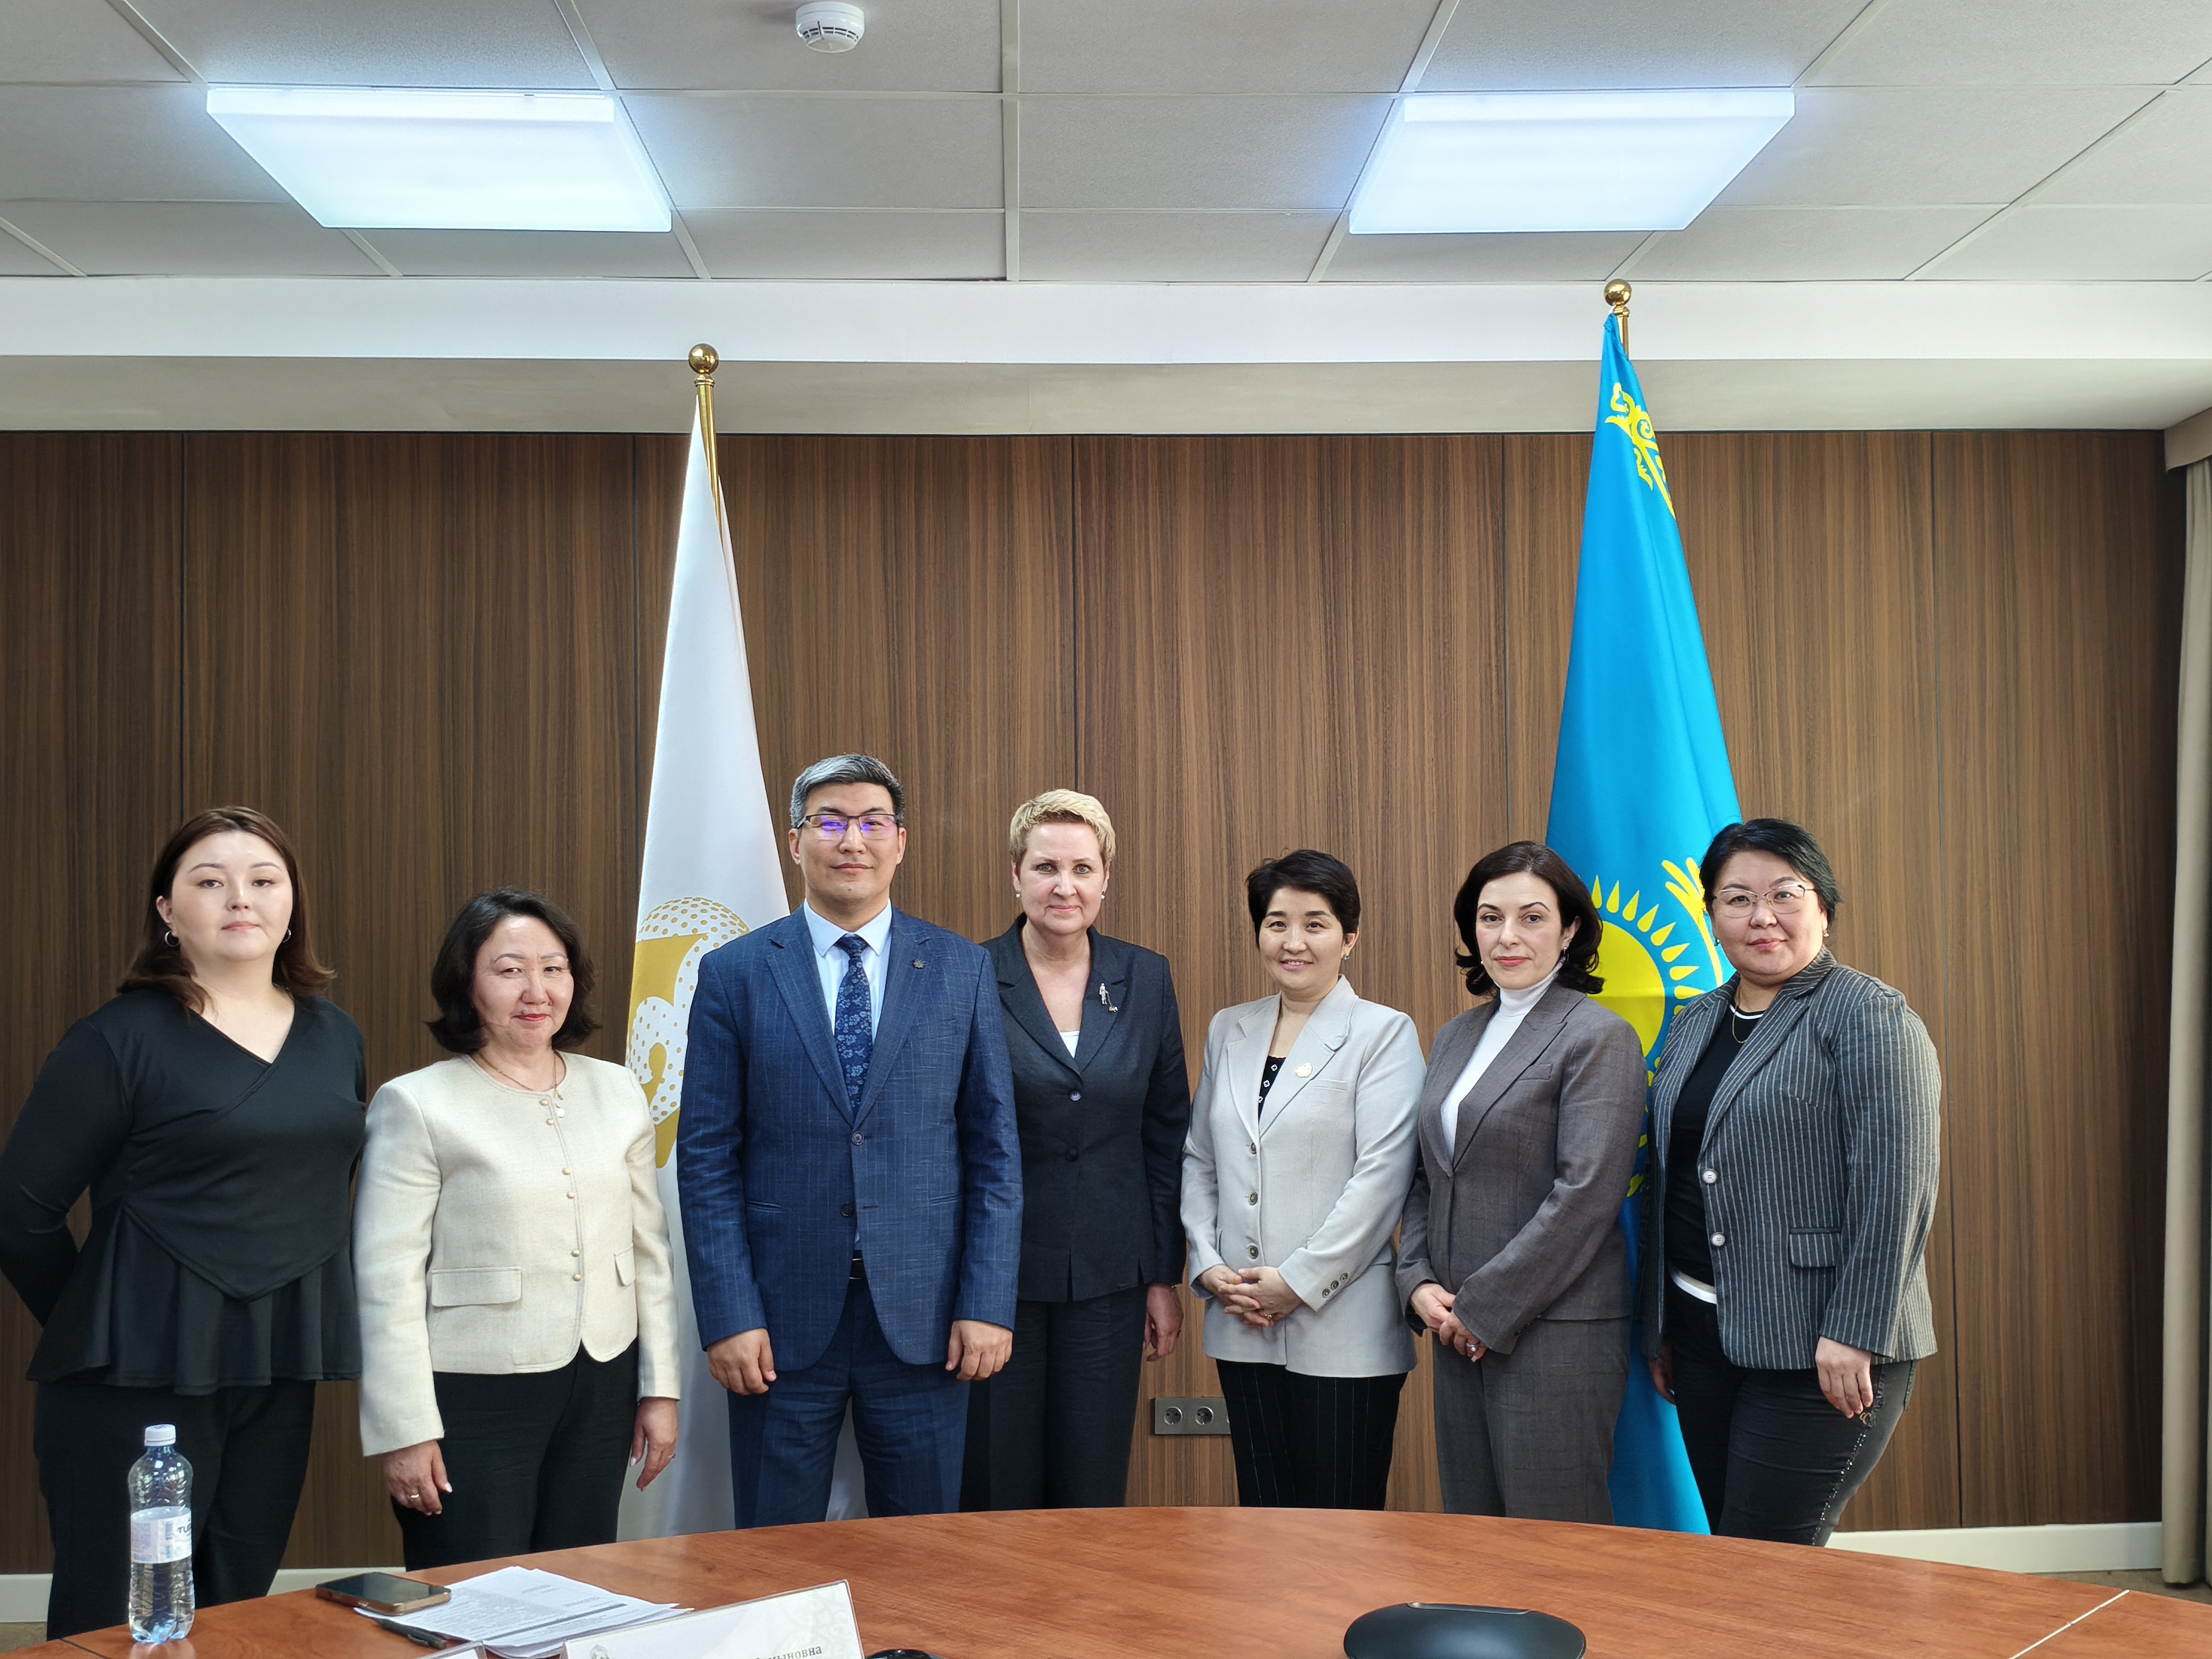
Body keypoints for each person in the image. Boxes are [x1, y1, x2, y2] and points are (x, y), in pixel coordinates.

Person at [0, 808, 364, 1640]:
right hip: (136, 1379)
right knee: (121, 1620)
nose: (241, 898)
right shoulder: (116, 1040)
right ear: (168, 911)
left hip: (278, 1366)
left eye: (263, 880)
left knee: (237, 1609)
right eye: (210, 881)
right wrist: (102, 1323)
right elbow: (19, 1211)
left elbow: (319, 1190)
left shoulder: (334, 1036)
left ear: (291, 904)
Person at [680, 754, 1022, 1526]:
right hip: (776, 1323)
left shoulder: (961, 969)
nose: (851, 840)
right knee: (776, 1554)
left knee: (921, 1554)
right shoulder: (735, 974)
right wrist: (730, 1313)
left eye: (872, 822)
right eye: (829, 821)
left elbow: (994, 1153)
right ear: (795, 842)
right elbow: (706, 1161)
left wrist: (986, 1302)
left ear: (900, 842)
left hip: (928, 1320)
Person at [353, 889, 680, 1569]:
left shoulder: (618, 1089)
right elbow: (385, 1280)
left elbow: (649, 1252)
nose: (537, 991)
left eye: (553, 969)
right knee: (474, 1592)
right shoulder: (416, 1103)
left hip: (604, 1382)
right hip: (473, 1390)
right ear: (467, 985)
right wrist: (404, 1429)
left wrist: (660, 1389)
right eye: (509, 971)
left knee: (581, 1583)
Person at [1642, 818, 1941, 1545]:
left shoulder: (1868, 1015)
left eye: (1785, 894)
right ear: (1712, 916)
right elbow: (1672, 1175)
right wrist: (1664, 1322)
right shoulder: (1696, 1020)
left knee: (1767, 1560)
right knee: (1734, 1551)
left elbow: (1897, 1189)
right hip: (1702, 1338)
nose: (1762, 916)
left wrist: (1855, 1331)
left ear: (1823, 907)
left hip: (1822, 1344)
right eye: (1737, 899)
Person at [1395, 841, 1646, 1522]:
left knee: (1553, 1542)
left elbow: (1585, 1195)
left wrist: (1482, 1309)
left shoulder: (1598, 1036)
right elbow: (1426, 1173)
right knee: (1474, 1532)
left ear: (1569, 930)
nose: (1507, 937)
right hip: (1454, 1326)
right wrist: (1417, 1281)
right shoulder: (1456, 1035)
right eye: (1489, 917)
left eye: (1531, 917)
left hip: (1553, 1332)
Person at [963, 790, 1189, 1510]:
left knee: (1091, 1491)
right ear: (1015, 874)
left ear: (1105, 878)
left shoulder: (1145, 978)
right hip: (999, 1286)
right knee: (998, 1488)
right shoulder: (968, 975)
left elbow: (1166, 1134)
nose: (1065, 886)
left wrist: (1163, 1276)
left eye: (1082, 868)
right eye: (1046, 867)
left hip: (1111, 1281)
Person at [1181, 849, 1424, 1509]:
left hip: (1344, 1326)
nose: (1293, 942)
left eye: (1315, 924)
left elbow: (1382, 1177)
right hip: (1241, 1319)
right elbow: (1200, 1158)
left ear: (1349, 937)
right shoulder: (1229, 1029)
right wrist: (1208, 1265)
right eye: (1276, 923)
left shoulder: (1383, 1033)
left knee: (1339, 1527)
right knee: (1261, 1518)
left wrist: (1295, 1283)